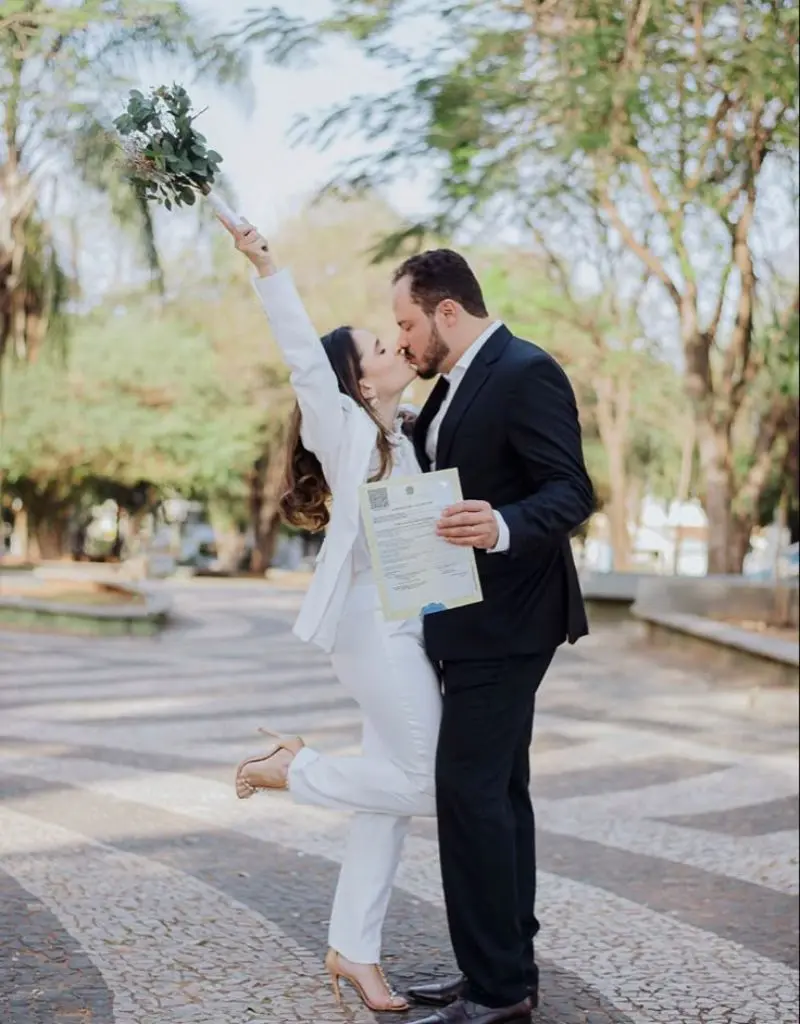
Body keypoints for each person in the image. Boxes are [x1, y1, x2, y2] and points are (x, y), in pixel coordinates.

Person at [224, 219, 442, 1014]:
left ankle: (355, 952)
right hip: (369, 627)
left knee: (387, 799)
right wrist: (266, 264)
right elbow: (301, 360)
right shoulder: (342, 428)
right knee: (425, 782)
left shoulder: (407, 438)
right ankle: (295, 769)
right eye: (379, 347)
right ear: (358, 382)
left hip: (410, 625)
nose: (394, 345)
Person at [393, 250, 594, 1024]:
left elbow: (571, 488)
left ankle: (497, 990)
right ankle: (505, 968)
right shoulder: (451, 385)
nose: (402, 339)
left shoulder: (523, 369)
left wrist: (506, 525)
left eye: (407, 322)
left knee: (469, 792)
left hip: (510, 619)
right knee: (499, 794)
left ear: (448, 311)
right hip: (470, 619)